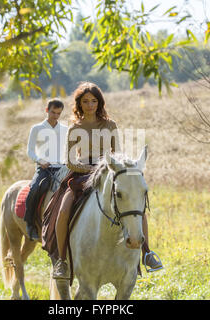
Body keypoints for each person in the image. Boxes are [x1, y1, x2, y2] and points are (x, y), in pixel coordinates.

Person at [52, 82, 163, 280]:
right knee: (63, 209)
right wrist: (92, 169)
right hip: (82, 173)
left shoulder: (110, 125)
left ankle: (146, 253)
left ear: (99, 102)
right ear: (79, 103)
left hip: (110, 171)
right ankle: (61, 260)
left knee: (135, 205)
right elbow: (70, 161)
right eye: (85, 101)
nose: (90, 105)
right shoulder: (74, 128)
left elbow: (117, 154)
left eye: (94, 101)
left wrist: (109, 168)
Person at [25, 99, 68, 241]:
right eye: (53, 112)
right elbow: (30, 151)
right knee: (36, 188)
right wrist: (40, 160)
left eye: (58, 113)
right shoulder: (37, 128)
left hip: (61, 167)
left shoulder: (65, 130)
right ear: (46, 110)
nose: (55, 116)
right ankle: (30, 223)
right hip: (44, 168)